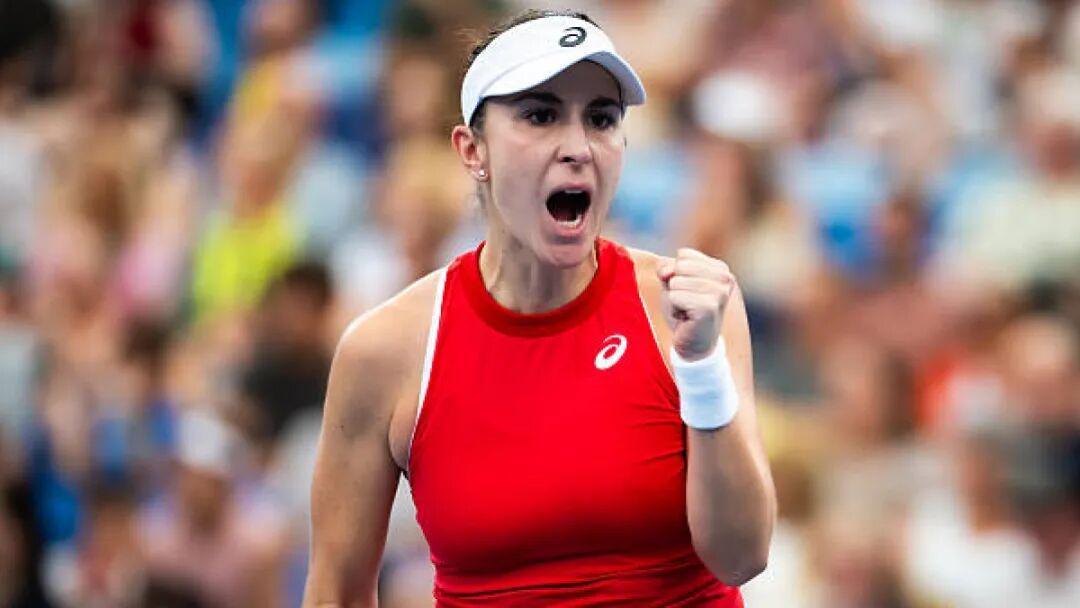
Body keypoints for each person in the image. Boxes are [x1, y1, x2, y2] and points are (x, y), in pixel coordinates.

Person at [303, 9, 775, 607]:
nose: (578, 147)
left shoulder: (687, 310)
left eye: (601, 119)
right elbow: (335, 594)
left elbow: (742, 556)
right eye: (540, 115)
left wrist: (701, 367)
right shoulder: (385, 351)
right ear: (472, 150)